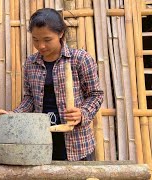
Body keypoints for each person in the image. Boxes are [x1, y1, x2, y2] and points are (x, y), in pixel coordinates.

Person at [13, 8, 104, 161]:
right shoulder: (31, 63)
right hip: (43, 140)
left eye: (47, 40)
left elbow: (95, 95)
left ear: (60, 33)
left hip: (77, 143)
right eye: (35, 39)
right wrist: (14, 116)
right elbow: (30, 98)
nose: (41, 45)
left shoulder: (79, 59)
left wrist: (82, 113)